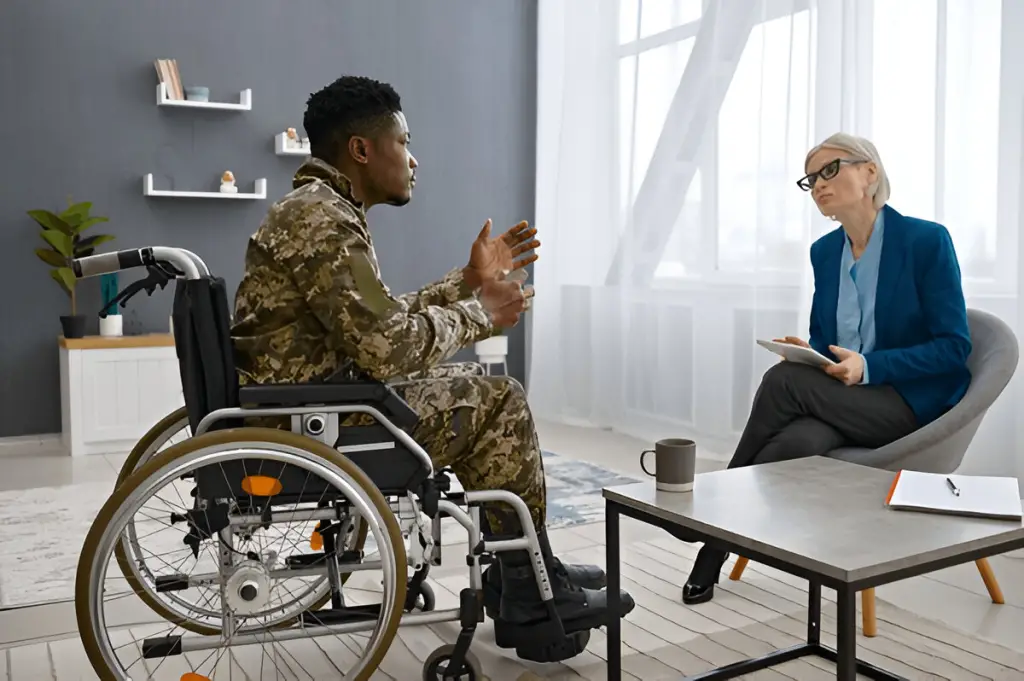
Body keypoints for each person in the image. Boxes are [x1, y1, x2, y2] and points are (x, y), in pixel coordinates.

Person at [229, 75, 634, 660]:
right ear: (363, 150)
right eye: (404, 140)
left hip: (316, 398)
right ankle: (527, 588)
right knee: (499, 400)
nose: (414, 159)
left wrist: (467, 284)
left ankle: (522, 567)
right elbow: (387, 348)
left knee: (478, 389)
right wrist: (480, 313)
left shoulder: (319, 209)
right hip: (316, 420)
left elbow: (380, 320)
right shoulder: (322, 220)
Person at [681, 132, 972, 605]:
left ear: (870, 173)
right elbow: (827, 337)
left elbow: (954, 348)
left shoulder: (926, 241)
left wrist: (869, 365)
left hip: (907, 406)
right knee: (800, 442)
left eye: (830, 171)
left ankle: (706, 508)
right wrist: (811, 354)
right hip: (844, 402)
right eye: (811, 178)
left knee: (782, 381)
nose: (818, 184)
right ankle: (711, 553)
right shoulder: (824, 251)